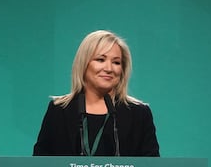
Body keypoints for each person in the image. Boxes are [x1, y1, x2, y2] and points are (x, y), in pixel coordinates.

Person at [32, 30, 160, 157]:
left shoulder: (140, 114)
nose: (109, 69)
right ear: (84, 64)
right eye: (100, 60)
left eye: (116, 62)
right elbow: (41, 166)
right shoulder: (59, 110)